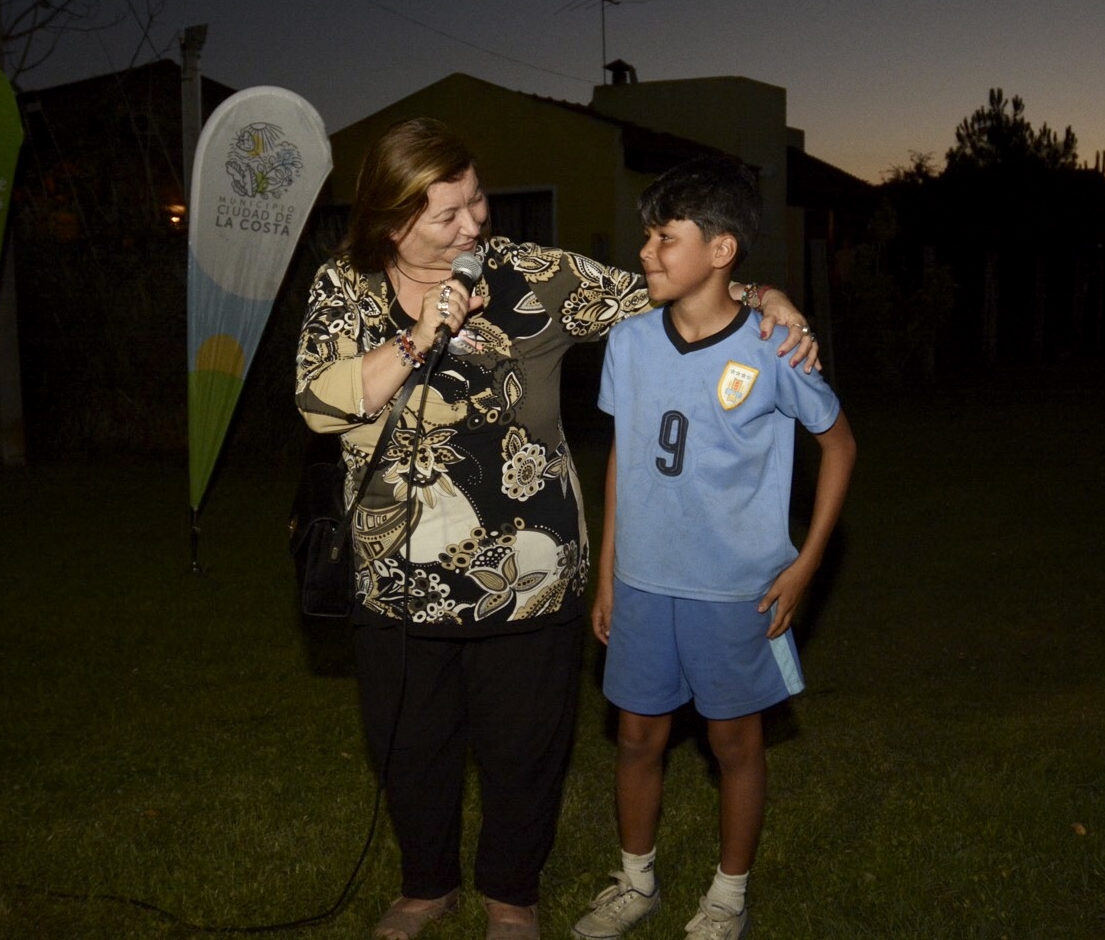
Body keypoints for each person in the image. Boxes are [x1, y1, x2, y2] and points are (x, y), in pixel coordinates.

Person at [294, 119, 820, 940]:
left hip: (529, 576)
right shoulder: (344, 286)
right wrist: (419, 334)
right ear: (393, 223)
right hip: (396, 579)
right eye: (446, 215)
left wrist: (763, 295)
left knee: (523, 750)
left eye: (476, 200)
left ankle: (512, 895)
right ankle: (424, 886)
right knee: (411, 750)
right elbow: (320, 406)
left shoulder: (530, 274)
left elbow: (657, 285)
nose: (474, 224)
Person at [572, 156, 856, 940]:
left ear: (722, 249)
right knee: (635, 737)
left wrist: (806, 564)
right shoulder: (629, 344)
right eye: (647, 236)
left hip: (735, 589)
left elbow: (839, 447)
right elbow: (624, 463)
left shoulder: (773, 346)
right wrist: (607, 575)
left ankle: (728, 894)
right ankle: (635, 883)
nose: (647, 252)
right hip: (643, 584)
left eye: (666, 238)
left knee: (735, 742)